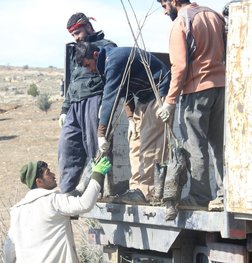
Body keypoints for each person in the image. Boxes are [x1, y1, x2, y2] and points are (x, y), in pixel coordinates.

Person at [75, 42, 170, 204]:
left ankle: (147, 191)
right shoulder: (108, 63)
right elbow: (124, 90)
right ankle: (136, 189)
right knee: (134, 144)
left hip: (158, 92)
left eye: (88, 65)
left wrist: (101, 133)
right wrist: (131, 118)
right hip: (144, 97)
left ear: (95, 55)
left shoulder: (113, 60)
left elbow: (110, 97)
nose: (90, 69)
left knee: (149, 144)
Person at [156, 0, 226, 211]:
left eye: (163, 5)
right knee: (220, 145)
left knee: (195, 145)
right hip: (222, 87)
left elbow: (179, 66)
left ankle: (199, 196)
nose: (164, 10)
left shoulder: (181, 22)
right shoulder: (215, 16)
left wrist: (170, 101)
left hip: (196, 91)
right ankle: (225, 195)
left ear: (174, 1)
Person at [3, 157, 111, 263]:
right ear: (39, 181)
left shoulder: (17, 210)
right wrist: (98, 175)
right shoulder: (53, 200)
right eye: (48, 173)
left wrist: (85, 180)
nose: (53, 175)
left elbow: (9, 249)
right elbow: (84, 204)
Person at [58, 12, 116, 193]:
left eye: (78, 33)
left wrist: (103, 107)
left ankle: (97, 192)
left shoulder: (107, 47)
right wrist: (64, 109)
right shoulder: (75, 51)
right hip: (74, 105)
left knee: (95, 147)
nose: (76, 38)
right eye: (73, 35)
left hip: (94, 99)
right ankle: (67, 194)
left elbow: (112, 79)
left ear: (89, 28)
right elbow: (72, 81)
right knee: (67, 148)